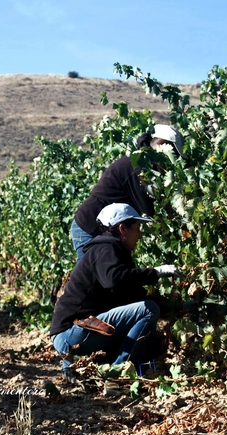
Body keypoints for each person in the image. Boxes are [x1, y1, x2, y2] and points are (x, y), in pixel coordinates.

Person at [50, 203, 181, 382]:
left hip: (76, 333)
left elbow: (133, 296)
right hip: (71, 334)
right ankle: (119, 375)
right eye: (137, 228)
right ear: (122, 228)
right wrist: (156, 272)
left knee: (151, 340)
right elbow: (114, 279)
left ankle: (108, 365)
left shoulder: (112, 251)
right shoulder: (105, 249)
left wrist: (178, 307)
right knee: (148, 310)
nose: (140, 235)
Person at [71, 124, 185, 262]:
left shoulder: (144, 163)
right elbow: (150, 211)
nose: (172, 163)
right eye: (174, 156)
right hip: (89, 228)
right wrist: (178, 225)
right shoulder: (138, 167)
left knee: (108, 278)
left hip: (106, 231)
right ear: (165, 149)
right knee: (89, 279)